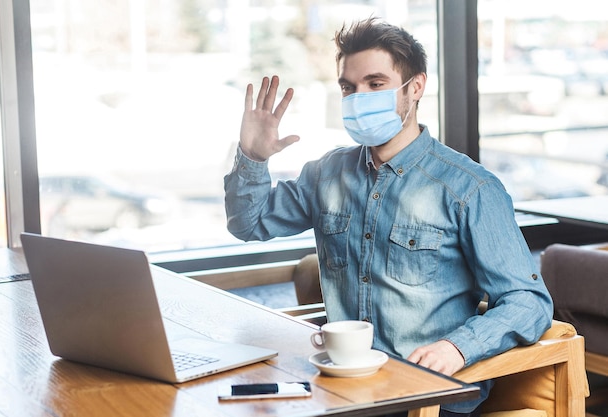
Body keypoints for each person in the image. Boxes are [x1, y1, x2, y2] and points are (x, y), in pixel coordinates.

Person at [224, 17, 553, 416]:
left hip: (428, 397)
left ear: (415, 87)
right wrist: (253, 157)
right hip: (343, 388)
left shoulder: (470, 188)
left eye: (375, 84)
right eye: (349, 87)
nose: (358, 97)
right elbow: (247, 223)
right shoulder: (327, 173)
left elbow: (528, 301)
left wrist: (456, 348)